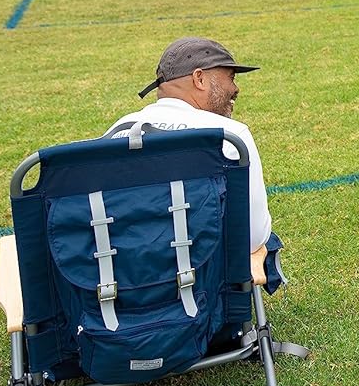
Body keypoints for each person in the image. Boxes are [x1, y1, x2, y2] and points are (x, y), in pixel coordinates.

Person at [102, 37, 277, 266]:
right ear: (199, 78)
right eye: (231, 78)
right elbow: (252, 236)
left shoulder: (117, 131)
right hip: (204, 274)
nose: (235, 89)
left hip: (127, 272)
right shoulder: (228, 136)